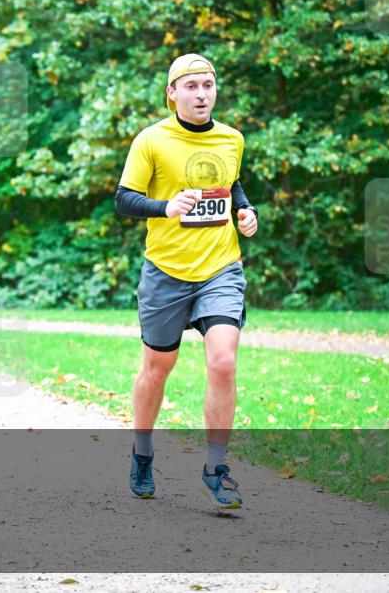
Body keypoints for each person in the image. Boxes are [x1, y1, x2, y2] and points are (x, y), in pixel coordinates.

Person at [114, 54, 258, 510]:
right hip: (166, 273)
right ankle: (142, 454)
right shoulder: (151, 140)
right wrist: (165, 208)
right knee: (156, 370)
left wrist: (246, 209)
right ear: (172, 93)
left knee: (223, 362)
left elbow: (232, 185)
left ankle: (216, 468)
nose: (201, 94)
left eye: (208, 86)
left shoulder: (232, 138)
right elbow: (124, 198)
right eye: (191, 86)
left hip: (220, 268)